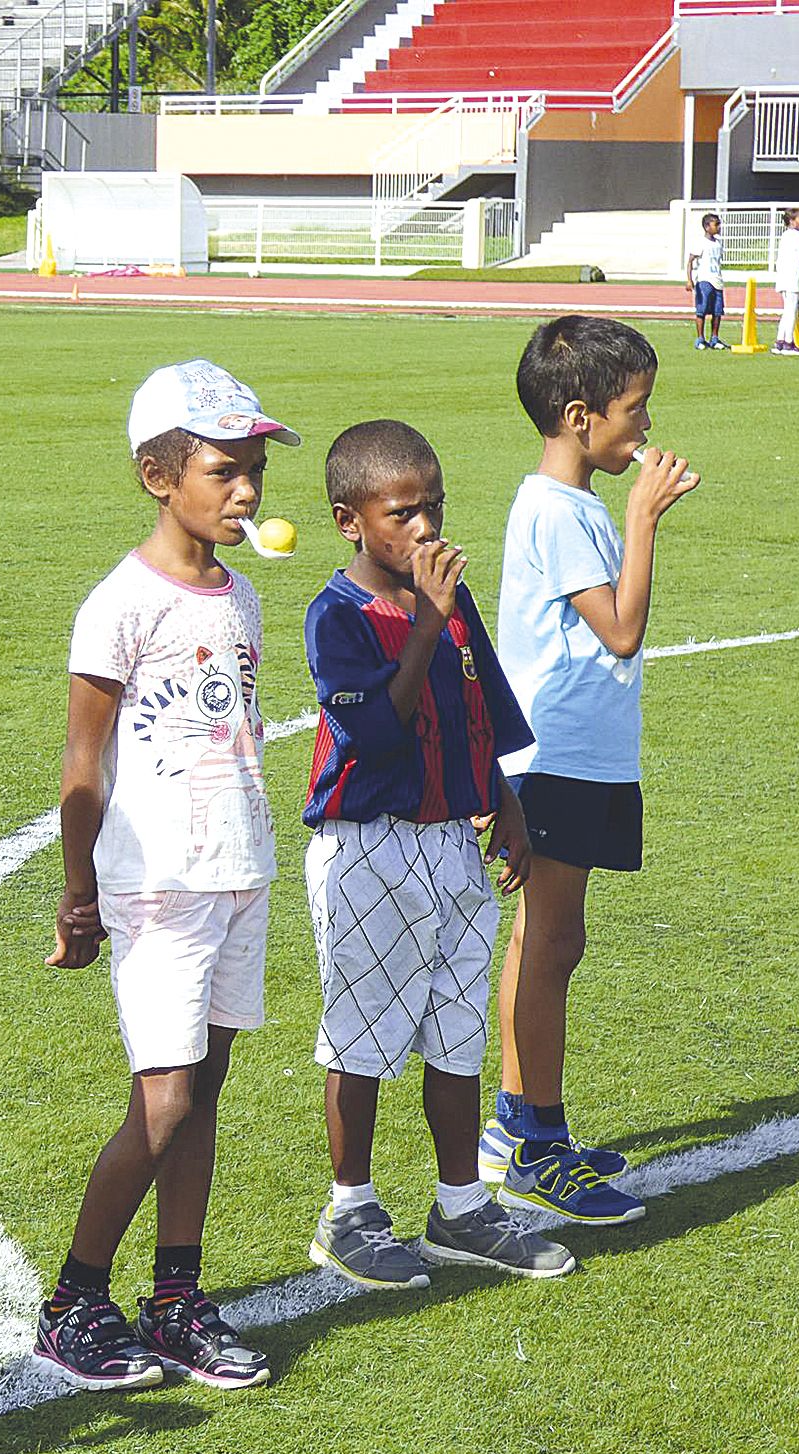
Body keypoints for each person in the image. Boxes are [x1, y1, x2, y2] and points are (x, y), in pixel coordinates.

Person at [34, 359, 291, 1393]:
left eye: (254, 470)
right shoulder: (120, 604)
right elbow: (81, 763)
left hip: (238, 869)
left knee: (203, 1092)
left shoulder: (243, 598)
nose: (246, 490)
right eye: (224, 470)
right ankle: (72, 1300)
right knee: (165, 1099)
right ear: (157, 475)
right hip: (157, 882)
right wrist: (78, 893)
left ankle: (175, 1298)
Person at [300, 420, 575, 1289]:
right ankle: (348, 1210)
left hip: (453, 841)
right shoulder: (337, 616)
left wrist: (504, 800)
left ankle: (460, 1206)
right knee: (362, 1037)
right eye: (401, 513)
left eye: (434, 506)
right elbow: (377, 734)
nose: (424, 528)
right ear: (348, 521)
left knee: (456, 1030)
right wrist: (425, 619)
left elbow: (475, 706)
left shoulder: (451, 602)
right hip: (370, 847)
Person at [480, 318, 701, 1223]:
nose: (644, 427)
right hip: (558, 755)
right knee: (552, 944)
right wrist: (644, 517)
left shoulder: (563, 504)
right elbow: (620, 628)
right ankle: (539, 1145)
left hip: (576, 753)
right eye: (634, 409)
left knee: (539, 940)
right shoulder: (559, 510)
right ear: (579, 417)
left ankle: (512, 1123)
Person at [686, 211, 727, 351]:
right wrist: (689, 280)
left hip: (717, 280)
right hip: (704, 280)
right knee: (702, 310)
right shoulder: (700, 243)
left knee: (717, 311)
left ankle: (714, 338)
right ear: (707, 227)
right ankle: (700, 339)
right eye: (716, 224)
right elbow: (690, 261)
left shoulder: (718, 243)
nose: (719, 227)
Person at [774, 209, 799, 356]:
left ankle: (780, 341)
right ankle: (788, 343)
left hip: (784, 276)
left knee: (787, 310)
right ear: (792, 221)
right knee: (791, 311)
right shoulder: (795, 235)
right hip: (791, 277)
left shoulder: (785, 235)